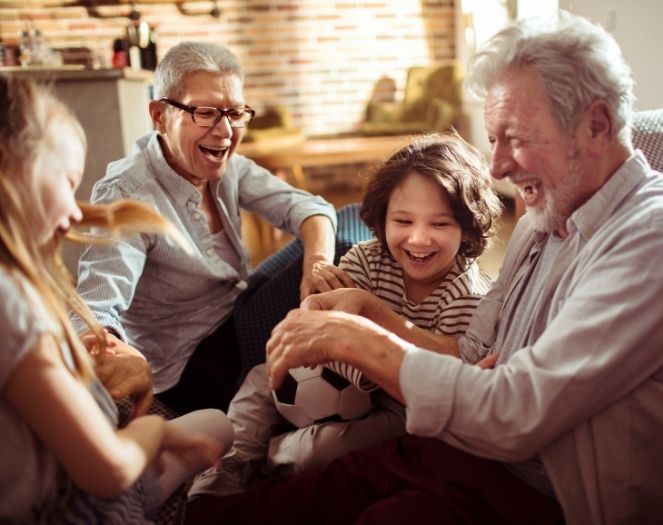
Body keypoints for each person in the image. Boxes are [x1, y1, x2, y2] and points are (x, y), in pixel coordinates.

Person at [185, 11, 663, 525]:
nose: (496, 167)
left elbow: (516, 410)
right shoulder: (542, 220)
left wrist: (356, 337)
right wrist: (370, 311)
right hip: (479, 449)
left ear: (597, 124)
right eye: (493, 139)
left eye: (515, 138)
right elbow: (473, 356)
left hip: (552, 495)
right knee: (321, 490)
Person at [188, 132, 503, 498]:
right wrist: (317, 318)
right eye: (403, 221)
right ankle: (226, 468)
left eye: (439, 224)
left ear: (467, 228)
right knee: (262, 377)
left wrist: (367, 337)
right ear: (382, 218)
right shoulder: (365, 259)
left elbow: (446, 374)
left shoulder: (469, 294)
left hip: (400, 406)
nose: (418, 239)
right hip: (336, 375)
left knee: (318, 452)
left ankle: (275, 459)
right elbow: (316, 311)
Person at [0, 76, 234, 524]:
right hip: (76, 505)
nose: (73, 211)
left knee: (216, 425)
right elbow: (109, 469)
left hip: (75, 472)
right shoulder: (12, 303)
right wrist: (152, 434)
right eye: (67, 183)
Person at [72, 41, 342, 415]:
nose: (225, 131)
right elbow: (95, 306)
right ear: (159, 115)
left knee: (340, 231)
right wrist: (115, 356)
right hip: (188, 367)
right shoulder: (128, 193)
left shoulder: (228, 168)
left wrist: (316, 263)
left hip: (236, 313)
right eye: (206, 113)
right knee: (347, 242)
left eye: (234, 113)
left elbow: (310, 208)